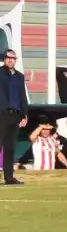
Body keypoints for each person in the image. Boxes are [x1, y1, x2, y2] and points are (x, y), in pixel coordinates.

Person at [0, 48, 28, 185]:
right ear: (4, 59)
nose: (11, 60)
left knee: (10, 148)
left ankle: (9, 177)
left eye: (13, 58)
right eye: (8, 58)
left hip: (15, 115)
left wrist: (25, 114)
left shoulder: (19, 76)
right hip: (2, 114)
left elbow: (22, 96)